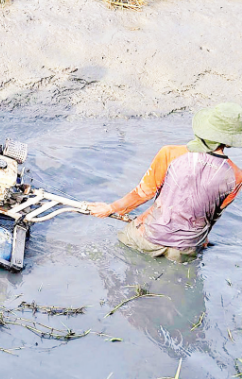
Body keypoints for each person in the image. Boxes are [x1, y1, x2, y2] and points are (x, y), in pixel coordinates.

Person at [88, 103, 242, 262]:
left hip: (149, 236)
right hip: (186, 248)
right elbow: (213, 216)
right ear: (229, 141)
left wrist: (110, 209)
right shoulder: (236, 175)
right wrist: (203, 239)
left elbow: (143, 193)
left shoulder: (171, 153)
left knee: (125, 247)